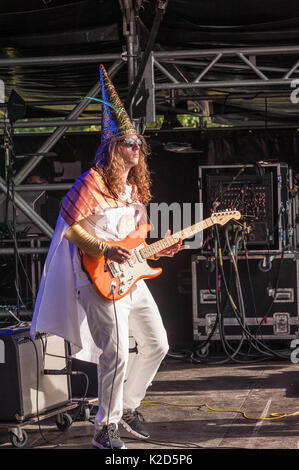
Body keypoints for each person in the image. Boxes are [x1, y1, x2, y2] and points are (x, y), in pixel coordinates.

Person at [30, 64, 186, 450]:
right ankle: (104, 427)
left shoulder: (133, 190)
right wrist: (103, 248)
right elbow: (70, 229)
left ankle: (127, 407)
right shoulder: (92, 182)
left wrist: (163, 248)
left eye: (140, 144)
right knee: (115, 351)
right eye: (130, 144)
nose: (138, 149)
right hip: (97, 276)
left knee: (158, 344)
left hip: (129, 277)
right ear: (113, 147)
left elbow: (138, 240)